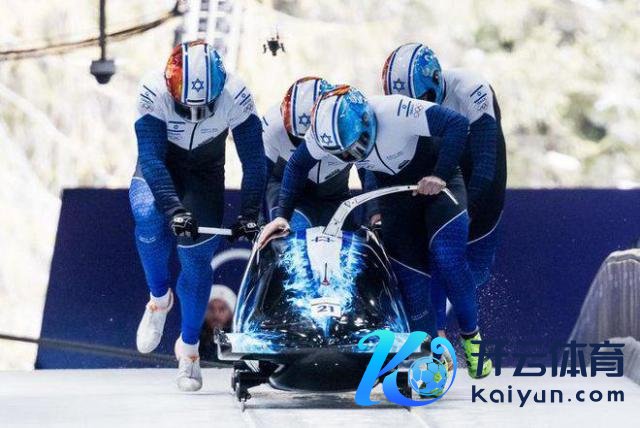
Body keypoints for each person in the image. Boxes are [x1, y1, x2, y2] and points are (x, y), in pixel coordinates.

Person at [259, 85, 492, 378]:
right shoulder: (322, 134)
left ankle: (473, 340)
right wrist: (281, 216)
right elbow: (296, 166)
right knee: (412, 287)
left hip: (438, 188)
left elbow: (456, 124)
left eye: (355, 146)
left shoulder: (395, 110)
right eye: (342, 153)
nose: (351, 155)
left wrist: (440, 174)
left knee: (446, 257)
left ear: (366, 121)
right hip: (396, 198)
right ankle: (433, 358)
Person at [130, 40, 265, 391]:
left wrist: (250, 212)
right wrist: (174, 209)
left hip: (204, 174)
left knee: (196, 260)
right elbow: (151, 160)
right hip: (163, 163)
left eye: (204, 107)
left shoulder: (237, 94)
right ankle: (159, 300)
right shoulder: (152, 90)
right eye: (185, 106)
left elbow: (254, 162)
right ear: (171, 88)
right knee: (146, 211)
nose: (194, 114)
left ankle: (189, 348)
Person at [382, 43, 507, 340]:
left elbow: (487, 161)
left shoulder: (471, 88)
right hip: (440, 169)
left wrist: (467, 211)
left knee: (473, 270)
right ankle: (434, 339)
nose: (418, 107)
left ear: (437, 81)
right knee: (435, 253)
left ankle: (454, 327)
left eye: (422, 99)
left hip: (477, 167)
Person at [262, 76, 377, 230]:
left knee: (346, 242)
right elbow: (259, 175)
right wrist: (258, 220)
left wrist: (375, 213)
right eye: (297, 139)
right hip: (287, 191)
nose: (306, 144)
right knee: (293, 235)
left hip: (334, 195)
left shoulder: (348, 118)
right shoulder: (272, 125)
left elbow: (367, 166)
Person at [199, 285, 236, 361]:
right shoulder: (193, 340)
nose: (216, 314)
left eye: (222, 309)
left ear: (231, 313)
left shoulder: (240, 344)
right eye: (211, 309)